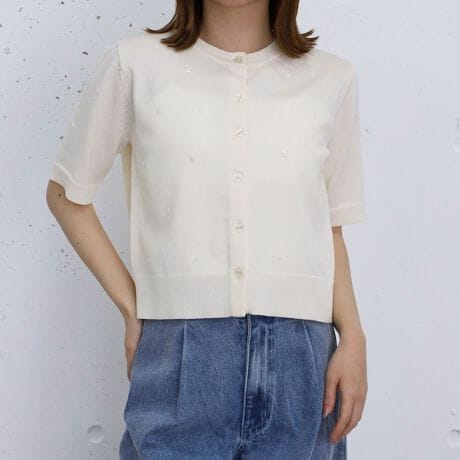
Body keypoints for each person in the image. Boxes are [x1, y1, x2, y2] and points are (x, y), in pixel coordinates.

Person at [46, 0, 368, 458]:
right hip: (180, 347)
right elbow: (66, 194)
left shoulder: (332, 79)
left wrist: (353, 337)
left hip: (303, 361)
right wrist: (133, 307)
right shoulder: (134, 65)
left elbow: (329, 227)